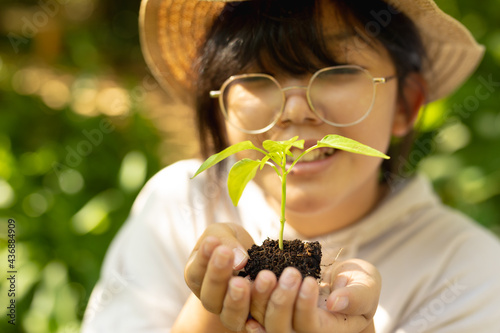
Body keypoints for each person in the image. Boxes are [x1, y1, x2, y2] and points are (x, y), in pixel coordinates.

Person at [82, 0, 500, 332]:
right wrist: (214, 314)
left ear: (407, 104)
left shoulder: (471, 272)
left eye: (337, 70)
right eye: (255, 75)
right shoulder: (176, 205)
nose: (295, 109)